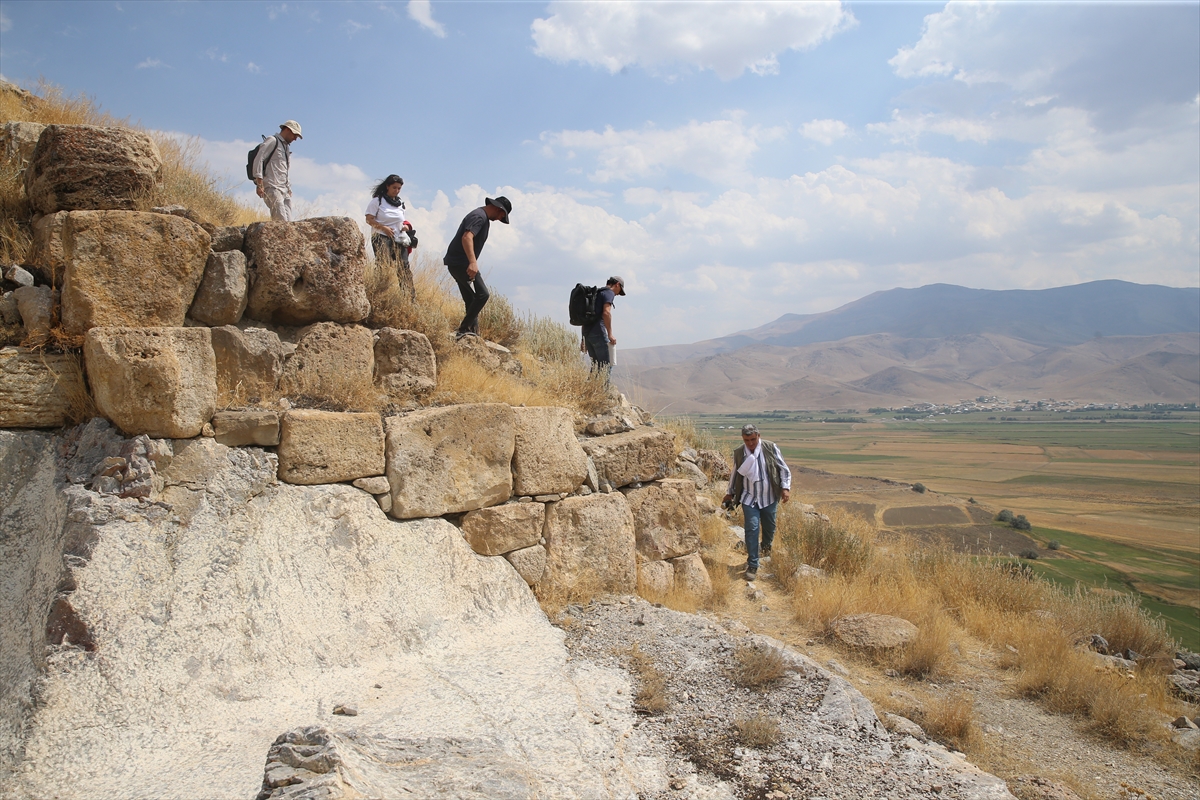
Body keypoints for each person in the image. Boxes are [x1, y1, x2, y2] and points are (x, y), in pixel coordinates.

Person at [722, 423, 792, 581]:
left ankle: (766, 547)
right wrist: (729, 493)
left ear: (758, 436)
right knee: (751, 528)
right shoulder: (740, 453)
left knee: (769, 525)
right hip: (749, 497)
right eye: (747, 440)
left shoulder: (770, 448)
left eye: (753, 439)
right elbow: (735, 473)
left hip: (769, 497)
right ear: (743, 439)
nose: (750, 443)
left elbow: (783, 469)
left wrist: (785, 488)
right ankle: (753, 563)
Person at [442, 195, 512, 339]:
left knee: (471, 298)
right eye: (501, 215)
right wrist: (472, 262)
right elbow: (467, 237)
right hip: (460, 262)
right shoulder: (479, 216)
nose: (500, 219)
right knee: (483, 295)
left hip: (456, 262)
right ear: (498, 208)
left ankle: (472, 333)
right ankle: (463, 329)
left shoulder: (482, 217)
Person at [366, 174, 416, 299]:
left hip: (398, 238)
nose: (397, 190)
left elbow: (402, 220)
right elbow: (369, 219)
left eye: (399, 188)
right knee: (384, 265)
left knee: (403, 267)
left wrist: (406, 227)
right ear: (387, 186)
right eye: (394, 187)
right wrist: (383, 228)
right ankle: (379, 296)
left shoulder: (400, 203)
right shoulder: (377, 201)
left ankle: (409, 298)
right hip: (381, 236)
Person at [252, 120, 302, 222]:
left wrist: (288, 187)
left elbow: (283, 169)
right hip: (272, 187)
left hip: (284, 190)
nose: (295, 139)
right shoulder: (272, 140)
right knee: (281, 222)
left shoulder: (286, 147)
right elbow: (259, 159)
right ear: (288, 129)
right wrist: (260, 184)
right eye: (295, 135)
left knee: (289, 224)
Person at [580, 276, 625, 375]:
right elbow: (606, 313)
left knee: (596, 366)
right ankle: (602, 390)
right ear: (617, 284)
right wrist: (610, 334)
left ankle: (591, 389)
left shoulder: (596, 294)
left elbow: (586, 318)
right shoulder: (609, 293)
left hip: (588, 334)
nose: (617, 294)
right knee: (606, 366)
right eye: (619, 291)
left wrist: (583, 339)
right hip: (598, 333)